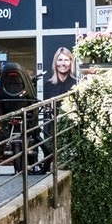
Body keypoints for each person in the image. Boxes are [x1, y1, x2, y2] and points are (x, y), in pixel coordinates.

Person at [31, 46, 76, 174]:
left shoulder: (76, 83)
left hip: (70, 127)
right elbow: (46, 109)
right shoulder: (48, 85)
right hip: (52, 128)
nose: (63, 63)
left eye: (66, 60)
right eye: (60, 60)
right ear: (55, 63)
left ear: (71, 62)